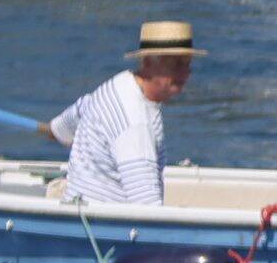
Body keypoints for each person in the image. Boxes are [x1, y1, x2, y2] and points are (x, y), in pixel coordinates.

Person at [47, 21, 193, 210]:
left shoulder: (116, 86)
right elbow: (147, 210)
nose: (185, 74)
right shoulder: (136, 127)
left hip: (80, 208)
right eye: (176, 65)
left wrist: (54, 130)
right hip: (106, 230)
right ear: (148, 63)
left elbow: (66, 123)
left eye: (188, 65)